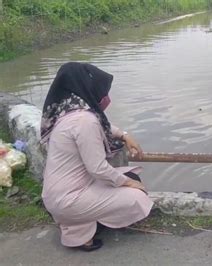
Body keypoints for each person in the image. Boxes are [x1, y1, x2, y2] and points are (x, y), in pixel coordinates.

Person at [40, 62, 154, 252]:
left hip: (57, 196)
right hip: (70, 200)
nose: (105, 96)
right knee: (137, 195)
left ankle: (78, 228)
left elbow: (102, 127)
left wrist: (124, 135)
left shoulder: (66, 112)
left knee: (130, 176)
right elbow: (98, 168)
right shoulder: (85, 120)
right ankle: (85, 225)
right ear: (87, 86)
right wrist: (128, 183)